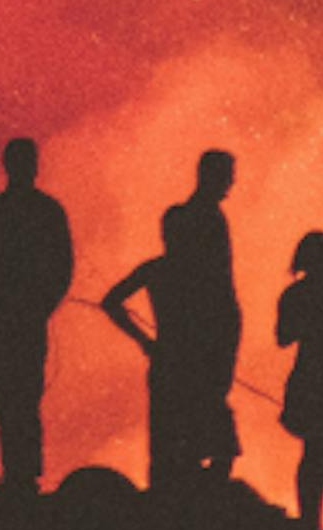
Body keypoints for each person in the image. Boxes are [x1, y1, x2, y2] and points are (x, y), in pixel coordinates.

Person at [102, 149, 241, 493]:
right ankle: (199, 508)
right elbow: (225, 298)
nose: (231, 183)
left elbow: (110, 301)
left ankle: (170, 510)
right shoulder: (208, 239)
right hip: (202, 356)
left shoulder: (156, 271)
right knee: (216, 442)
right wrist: (225, 351)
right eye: (227, 175)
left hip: (168, 360)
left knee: (167, 446)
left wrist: (145, 341)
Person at [0, 136, 72, 496]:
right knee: (14, 396)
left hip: (15, 317)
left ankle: (22, 474)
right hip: (15, 317)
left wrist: (33, 305)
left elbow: (60, 266)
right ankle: (20, 472)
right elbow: (62, 266)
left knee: (18, 396)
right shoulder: (42, 211)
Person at [275, 231, 323, 527]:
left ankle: (310, 519)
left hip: (309, 376)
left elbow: (282, 337)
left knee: (314, 453)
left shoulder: (294, 295)